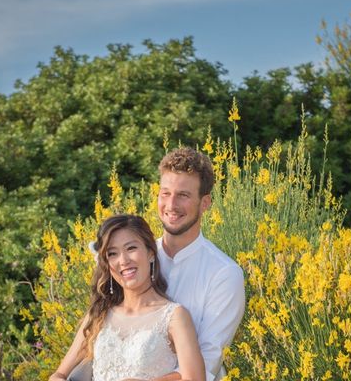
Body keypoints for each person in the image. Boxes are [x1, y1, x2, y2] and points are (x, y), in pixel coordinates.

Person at [50, 214, 205, 381]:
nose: (123, 260)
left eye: (131, 248)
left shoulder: (174, 316)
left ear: (151, 253)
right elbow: (58, 375)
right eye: (112, 254)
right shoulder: (98, 315)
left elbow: (195, 378)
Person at [155, 147, 245, 381]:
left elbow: (206, 364)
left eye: (183, 195)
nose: (171, 205)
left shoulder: (224, 274)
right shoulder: (136, 259)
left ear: (205, 203)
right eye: (165, 193)